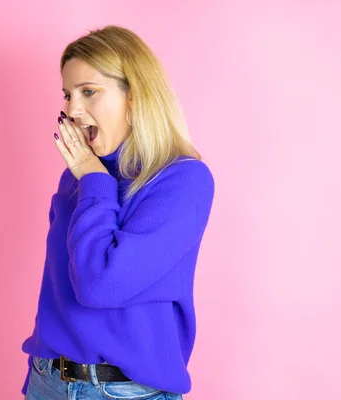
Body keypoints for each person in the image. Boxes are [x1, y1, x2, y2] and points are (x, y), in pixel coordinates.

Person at [21, 25, 215, 400]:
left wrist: (94, 179)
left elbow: (99, 285)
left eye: (88, 92)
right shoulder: (78, 177)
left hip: (121, 392)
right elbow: (58, 289)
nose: (71, 109)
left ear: (134, 96)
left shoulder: (183, 180)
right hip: (49, 381)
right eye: (67, 94)